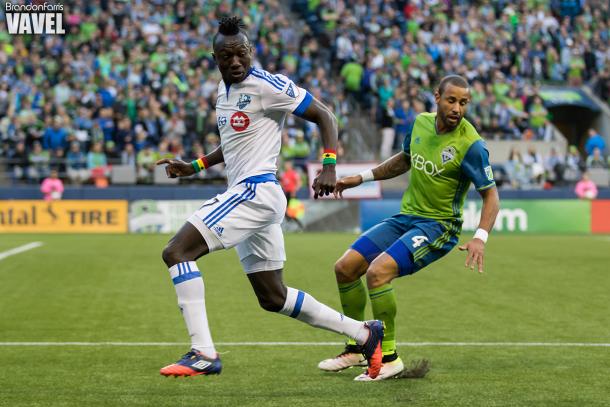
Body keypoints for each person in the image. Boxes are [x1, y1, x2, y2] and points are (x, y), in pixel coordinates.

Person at [155, 17, 383, 379]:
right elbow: (233, 143)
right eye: (226, 56)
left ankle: (203, 352)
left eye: (241, 53)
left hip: (255, 191)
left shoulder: (266, 84)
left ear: (251, 52)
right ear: (214, 57)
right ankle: (363, 332)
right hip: (251, 196)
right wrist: (196, 165)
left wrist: (328, 165)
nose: (234, 62)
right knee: (272, 297)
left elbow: (325, 115)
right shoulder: (222, 91)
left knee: (176, 252)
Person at [318, 75, 500, 381]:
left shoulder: (472, 146)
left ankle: (388, 358)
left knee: (378, 273)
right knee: (345, 267)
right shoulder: (420, 124)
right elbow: (404, 160)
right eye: (452, 100)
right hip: (407, 217)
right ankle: (356, 346)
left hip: (439, 226)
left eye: (464, 103)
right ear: (437, 97)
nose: (457, 108)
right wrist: (358, 178)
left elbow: (491, 194)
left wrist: (480, 237)